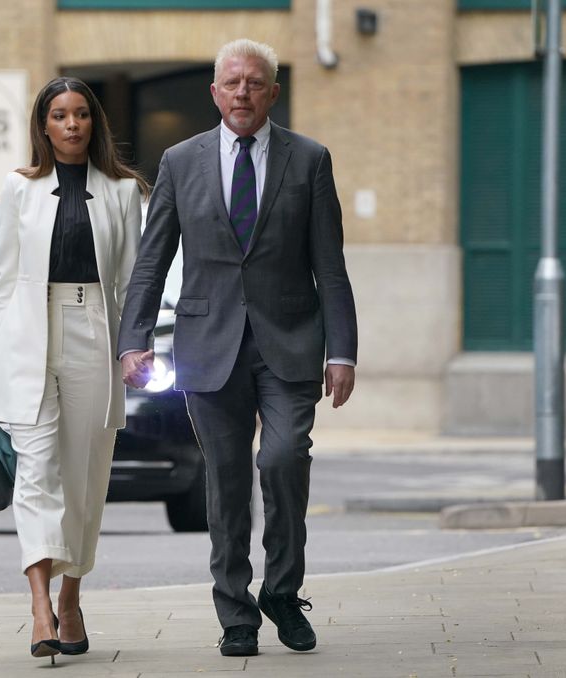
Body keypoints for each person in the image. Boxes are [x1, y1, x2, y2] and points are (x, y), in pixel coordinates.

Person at [118, 38, 357, 657]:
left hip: (290, 342)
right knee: (225, 481)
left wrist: (342, 351)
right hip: (208, 344)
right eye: (232, 83)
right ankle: (236, 614)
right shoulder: (180, 161)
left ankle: (283, 590)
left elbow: (330, 265)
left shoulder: (310, 160)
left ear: (273, 93)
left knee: (283, 460)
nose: (243, 93)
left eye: (254, 83)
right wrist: (134, 340)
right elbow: (151, 260)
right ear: (215, 92)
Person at [0, 76, 147, 663]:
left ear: (94, 122)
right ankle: (40, 606)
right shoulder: (19, 188)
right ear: (43, 125)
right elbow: (3, 281)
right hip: (26, 336)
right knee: (36, 471)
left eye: (81, 114)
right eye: (60, 115)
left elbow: (133, 281)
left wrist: (135, 347)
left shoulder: (122, 191)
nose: (72, 124)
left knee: (85, 477)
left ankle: (71, 598)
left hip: (94, 328)